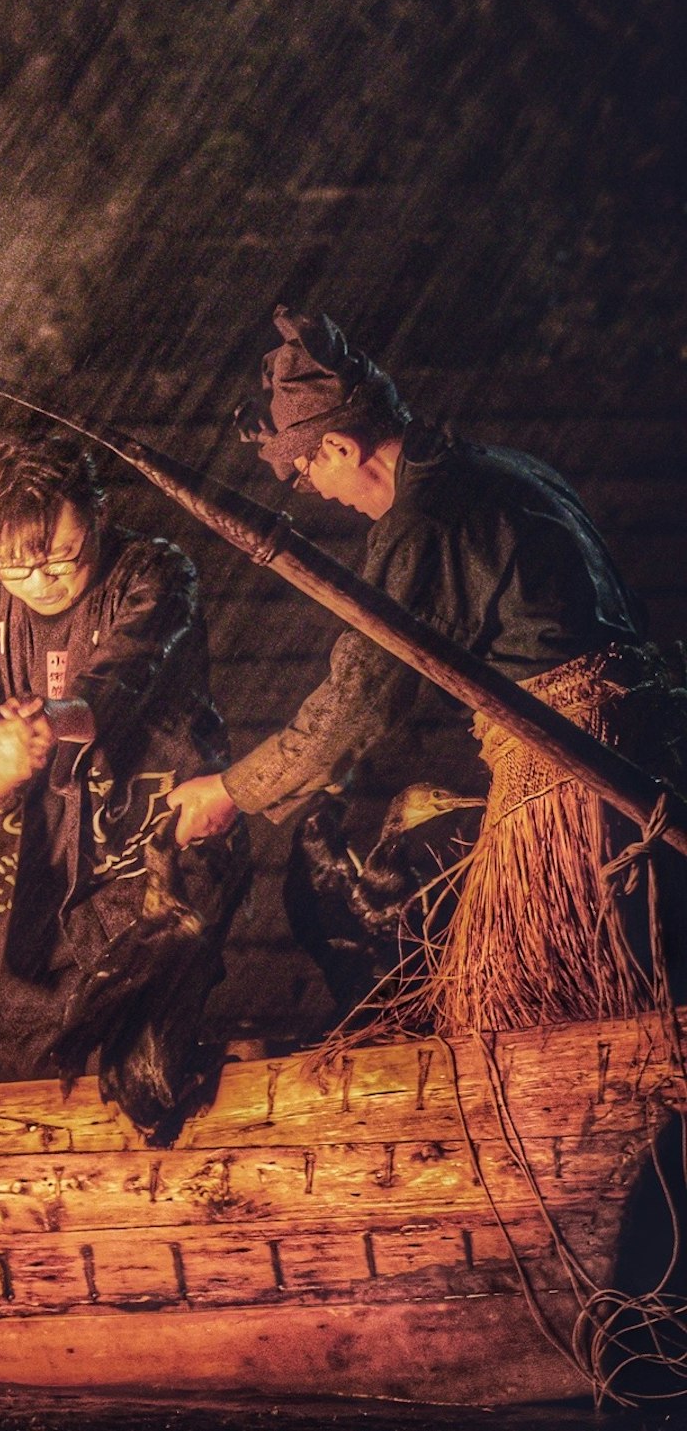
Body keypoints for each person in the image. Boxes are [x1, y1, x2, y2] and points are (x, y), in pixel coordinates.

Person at [171, 306, 683, 1030]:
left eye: (312, 471)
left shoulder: (423, 524)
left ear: (343, 448)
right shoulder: (507, 469)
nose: (320, 492)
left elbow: (359, 700)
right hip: (642, 763)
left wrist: (233, 788)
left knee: (532, 1017)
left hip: (574, 789)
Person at [0, 433, 242, 1087]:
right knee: (32, 1056)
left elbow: (126, 670)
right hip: (32, 868)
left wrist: (57, 719)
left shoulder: (154, 573)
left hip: (145, 844)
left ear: (99, 515)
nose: (43, 580)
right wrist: (4, 757)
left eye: (65, 557)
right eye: (17, 566)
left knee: (149, 1063)